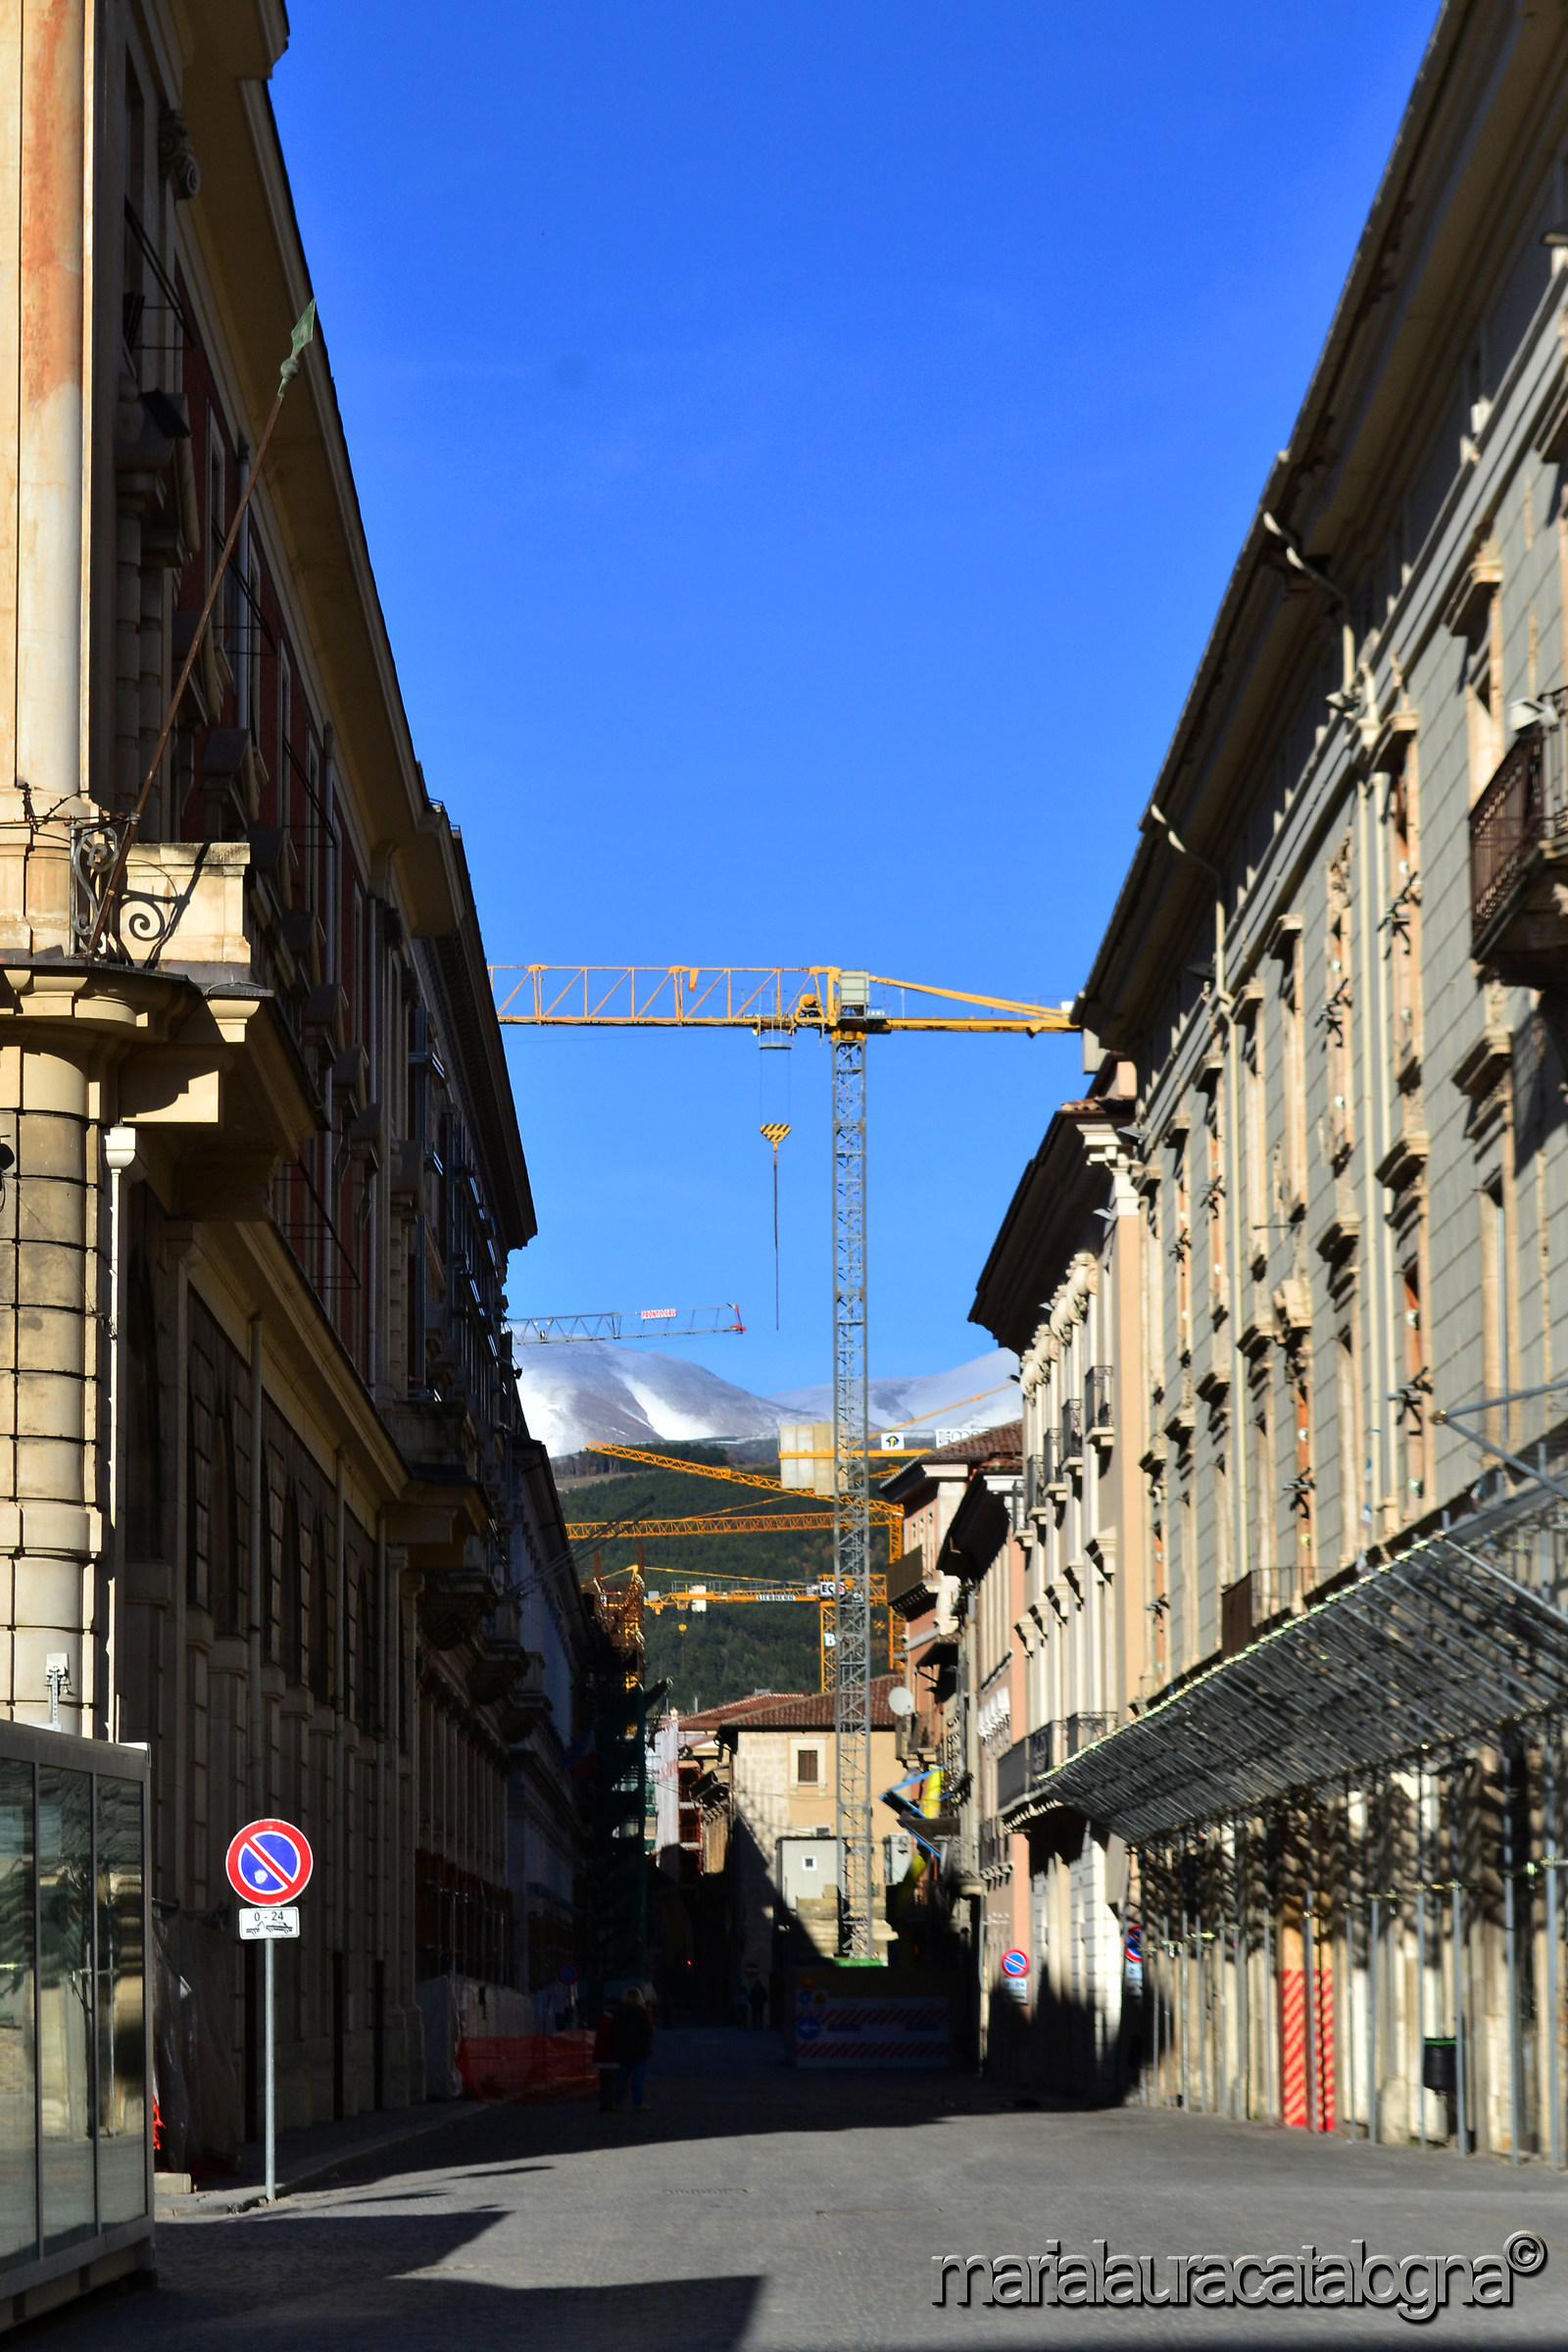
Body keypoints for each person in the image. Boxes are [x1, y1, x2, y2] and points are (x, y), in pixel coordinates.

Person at [612, 1984, 654, 2110]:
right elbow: (647, 2031)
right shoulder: (639, 2012)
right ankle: (638, 2102)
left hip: (624, 2049)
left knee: (622, 2076)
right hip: (639, 2049)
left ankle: (617, 2102)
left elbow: (614, 2031)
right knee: (637, 2077)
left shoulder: (619, 2012)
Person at [592, 2004, 617, 2112]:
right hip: (610, 2057)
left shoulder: (603, 2020)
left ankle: (605, 2103)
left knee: (605, 2083)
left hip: (603, 2058)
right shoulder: (609, 2022)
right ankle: (608, 2104)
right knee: (610, 2083)